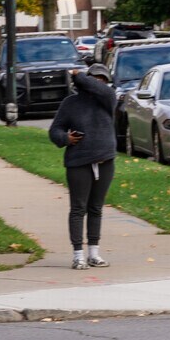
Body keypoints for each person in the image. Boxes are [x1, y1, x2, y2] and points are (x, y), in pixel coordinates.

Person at [48, 65, 117, 270]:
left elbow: (101, 89)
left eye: (102, 80)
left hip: (105, 160)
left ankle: (94, 254)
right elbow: (54, 130)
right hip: (78, 162)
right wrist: (65, 138)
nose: (98, 83)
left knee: (96, 208)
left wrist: (80, 75)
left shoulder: (108, 99)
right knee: (78, 208)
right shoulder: (71, 103)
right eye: (95, 78)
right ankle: (78, 255)